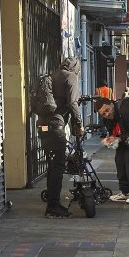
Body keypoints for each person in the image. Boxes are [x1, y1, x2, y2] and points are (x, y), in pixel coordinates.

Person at [39, 56, 83, 218]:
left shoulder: (53, 75)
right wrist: (79, 123)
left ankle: (52, 203)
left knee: (53, 166)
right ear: (76, 67)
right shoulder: (70, 76)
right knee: (57, 168)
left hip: (43, 126)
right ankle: (53, 207)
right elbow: (72, 103)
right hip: (55, 127)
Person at [94, 96, 129, 204]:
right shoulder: (107, 119)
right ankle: (125, 192)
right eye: (103, 113)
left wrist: (119, 138)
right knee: (120, 161)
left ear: (112, 104)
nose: (107, 114)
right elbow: (114, 132)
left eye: (107, 110)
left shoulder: (125, 109)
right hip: (125, 139)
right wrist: (110, 139)